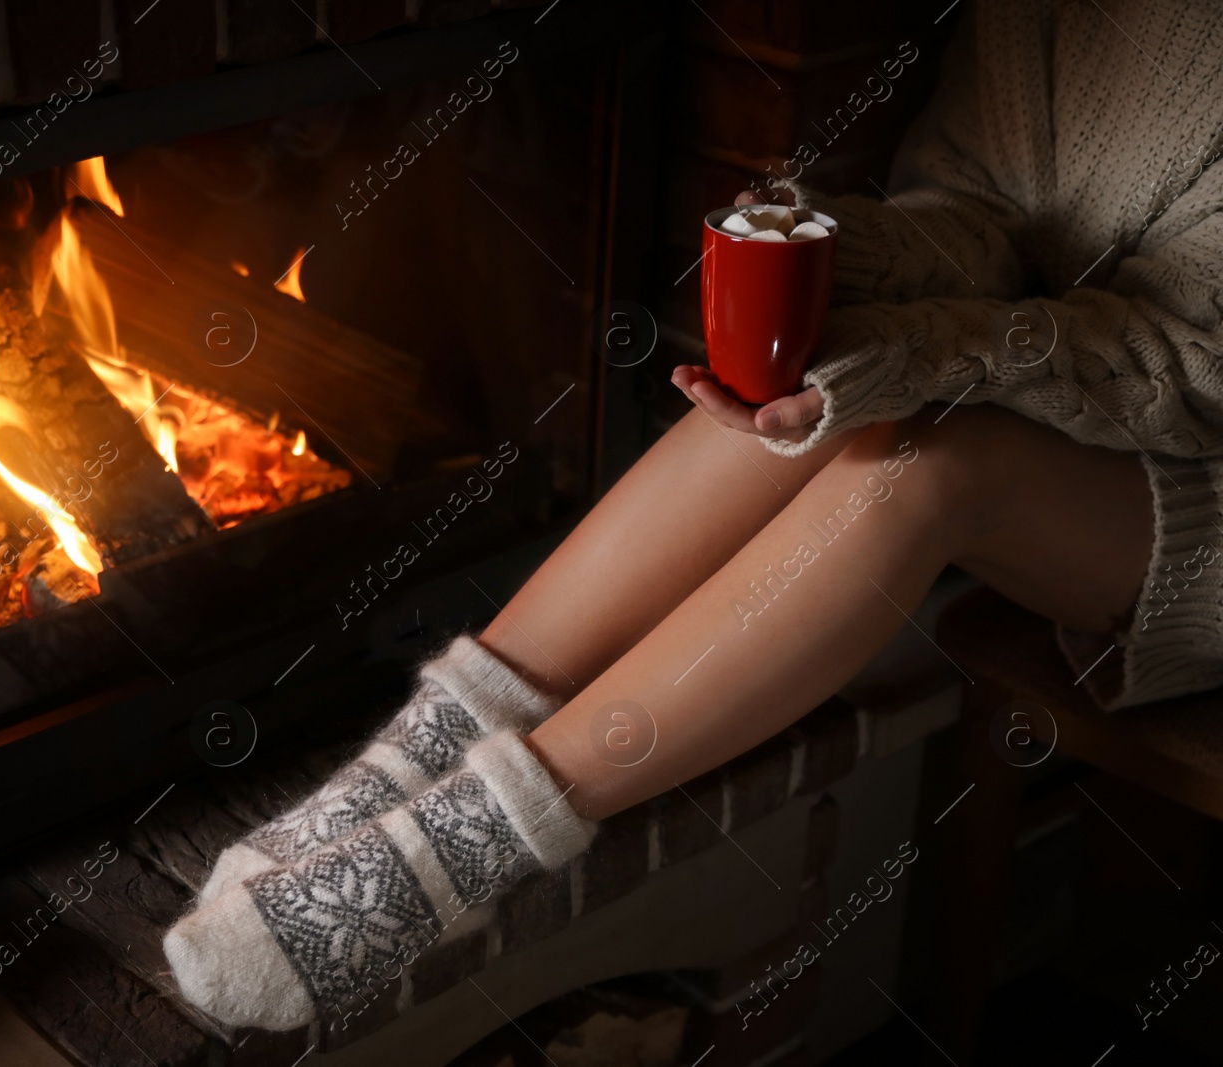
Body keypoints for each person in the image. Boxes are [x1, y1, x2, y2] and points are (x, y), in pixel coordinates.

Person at [163, 0, 1223, 1031]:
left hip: (1198, 488)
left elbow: (1199, 371)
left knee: (926, 463)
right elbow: (984, 215)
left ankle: (470, 841)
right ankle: (421, 751)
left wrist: (922, 351)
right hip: (1049, 382)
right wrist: (826, 263)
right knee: (769, 395)